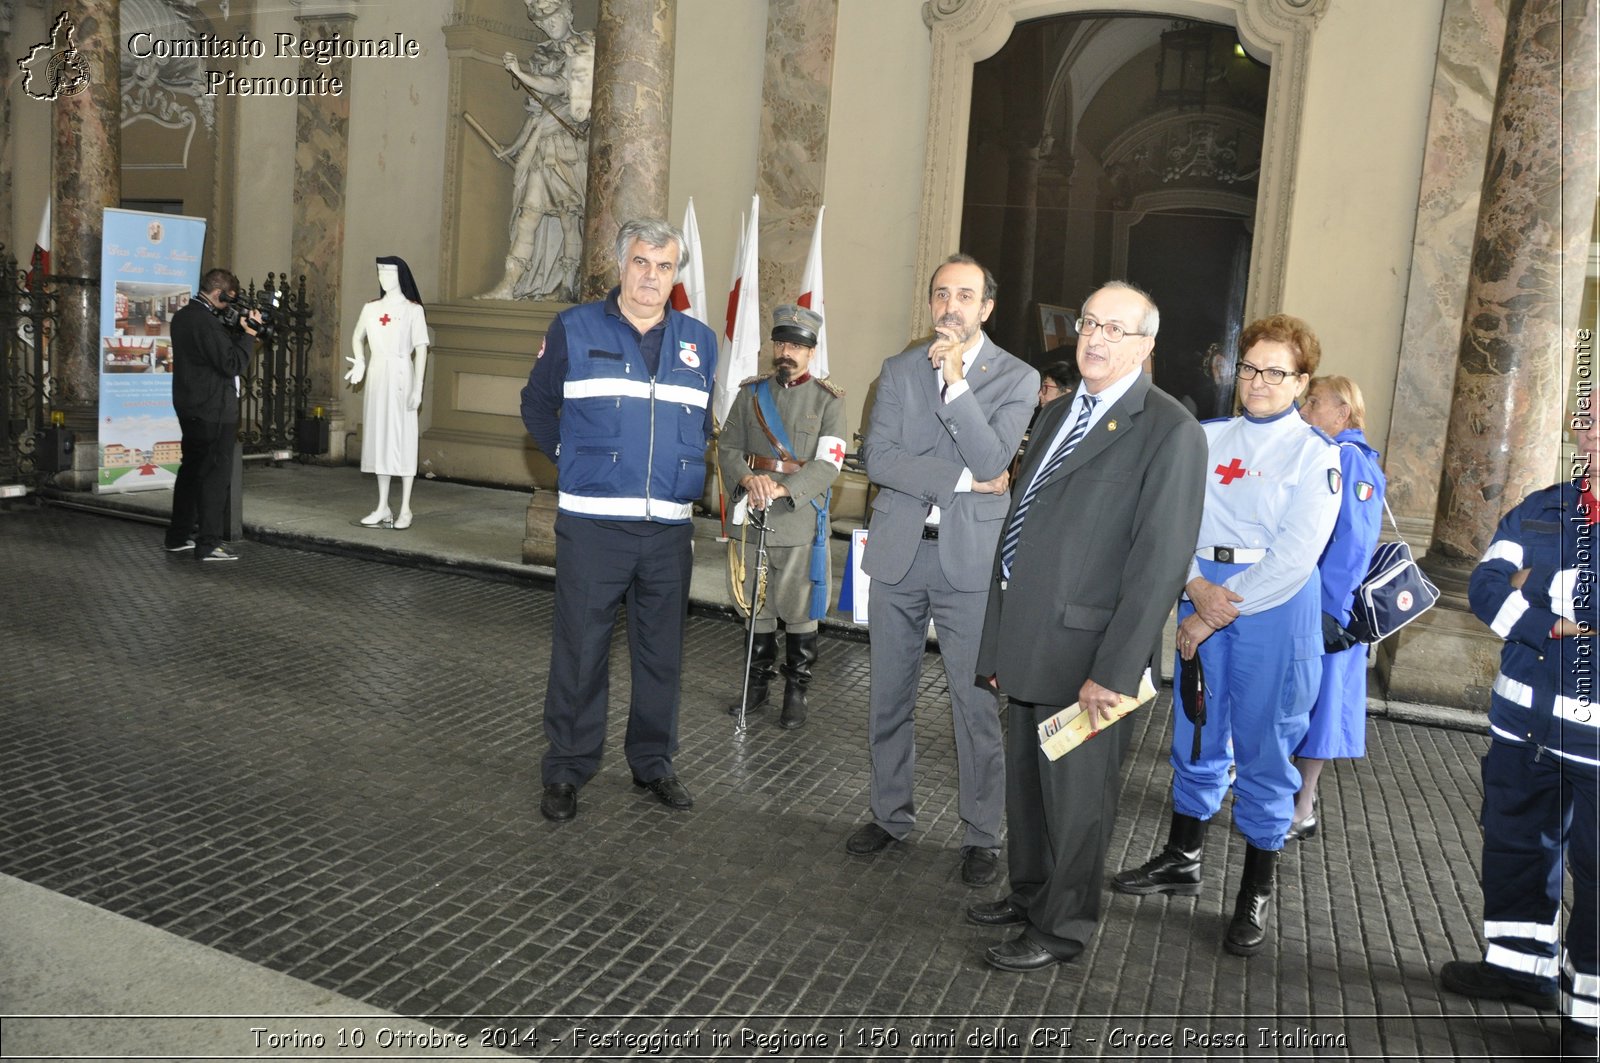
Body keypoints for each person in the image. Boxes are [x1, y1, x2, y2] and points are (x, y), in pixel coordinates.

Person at [967, 282, 1207, 972]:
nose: (1096, 338)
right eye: (1090, 323)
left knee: (1078, 800)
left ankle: (1062, 924)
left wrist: (1116, 665)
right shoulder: (1058, 410)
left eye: (1115, 329)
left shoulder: (1169, 431)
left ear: (1145, 345)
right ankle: (1031, 894)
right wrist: (996, 641)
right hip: (1028, 638)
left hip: (1090, 656)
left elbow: (1159, 563)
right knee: (1027, 783)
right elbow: (1024, 527)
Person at [1112, 313, 1340, 957]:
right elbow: (1170, 519)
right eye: (1250, 367)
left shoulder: (1316, 454)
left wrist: (1211, 610)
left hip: (1273, 602)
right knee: (1197, 726)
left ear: (1301, 381)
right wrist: (1192, 585)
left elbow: (1298, 554)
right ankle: (1182, 859)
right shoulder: (1205, 437)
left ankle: (1254, 891)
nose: (1259, 381)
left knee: (1267, 744)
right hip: (1202, 584)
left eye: (1276, 371)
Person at [845, 254, 1038, 887]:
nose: (949, 306)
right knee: (888, 696)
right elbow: (880, 458)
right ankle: (889, 814)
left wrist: (956, 385)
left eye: (964, 295)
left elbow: (994, 453)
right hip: (900, 554)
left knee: (974, 703)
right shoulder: (899, 369)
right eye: (939, 294)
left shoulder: (1017, 377)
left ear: (986, 308)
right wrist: (962, 478)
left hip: (969, 565)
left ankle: (982, 833)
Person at [519, 218, 717, 822]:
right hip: (594, 526)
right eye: (640, 263)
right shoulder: (575, 328)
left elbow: (702, 421)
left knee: (662, 654)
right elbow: (537, 405)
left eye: (663, 266)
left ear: (674, 275)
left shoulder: (700, 341)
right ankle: (567, 769)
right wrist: (572, 461)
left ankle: (653, 763)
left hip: (668, 530)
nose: (651, 277)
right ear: (620, 265)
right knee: (582, 650)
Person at [1439, 412, 1599, 1060]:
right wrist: (1547, 623)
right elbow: (1483, 587)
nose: (1592, 435)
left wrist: (1547, 604)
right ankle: (1517, 965)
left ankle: (1587, 1012)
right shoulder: (1543, 507)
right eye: (1590, 423)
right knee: (1513, 846)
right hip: (1522, 728)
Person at [718, 304, 848, 729]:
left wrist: (784, 487)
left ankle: (796, 690)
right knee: (755, 606)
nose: (786, 352)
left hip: (797, 520)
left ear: (811, 352)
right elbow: (728, 448)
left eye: (796, 345)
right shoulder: (750, 394)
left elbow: (829, 463)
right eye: (781, 343)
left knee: (798, 608)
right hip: (753, 514)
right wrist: (749, 479)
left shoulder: (828, 401)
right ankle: (756, 685)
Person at [1288, 375, 1385, 840]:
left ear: (1342, 412)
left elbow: (1354, 542)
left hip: (1329, 613)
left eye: (1314, 402)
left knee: (1321, 708)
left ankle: (1302, 807)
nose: (1304, 410)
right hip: (1311, 604)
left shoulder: (1350, 458)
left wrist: (1331, 611)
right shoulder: (1326, 453)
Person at [477, 0, 593, 301]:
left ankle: (569, 285)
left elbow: (558, 87)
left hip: (570, 147)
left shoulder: (584, 46)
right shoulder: (543, 53)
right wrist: (512, 147)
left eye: (552, 19)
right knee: (528, 214)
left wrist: (520, 73)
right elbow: (539, 115)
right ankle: (509, 284)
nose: (547, 26)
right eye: (542, 22)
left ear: (567, 14)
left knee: (570, 218)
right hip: (542, 147)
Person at [163, 268, 260, 562]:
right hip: (213, 410)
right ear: (218, 294)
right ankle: (208, 543)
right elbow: (231, 363)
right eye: (227, 301)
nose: (229, 307)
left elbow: (209, 355)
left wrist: (234, 331)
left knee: (191, 472)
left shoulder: (183, 317)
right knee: (215, 477)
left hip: (189, 406)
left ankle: (178, 537)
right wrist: (250, 334)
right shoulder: (206, 324)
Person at [345, 257, 430, 530]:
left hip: (402, 375)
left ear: (401, 275)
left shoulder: (412, 310)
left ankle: (405, 508)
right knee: (380, 437)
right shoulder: (371, 308)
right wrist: (360, 361)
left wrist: (418, 388)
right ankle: (383, 506)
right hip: (378, 375)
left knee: (402, 439)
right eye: (380, 272)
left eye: (390, 272)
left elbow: (421, 349)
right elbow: (357, 337)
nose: (384, 277)